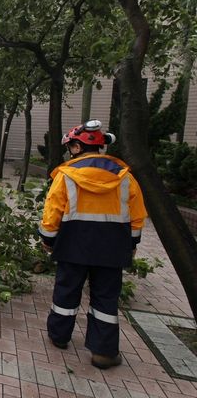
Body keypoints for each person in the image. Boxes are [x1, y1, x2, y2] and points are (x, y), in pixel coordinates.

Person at [39, 120, 147, 369]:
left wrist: (48, 240)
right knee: (106, 298)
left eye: (70, 147)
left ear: (76, 147)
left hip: (73, 245)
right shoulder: (124, 177)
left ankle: (59, 336)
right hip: (112, 247)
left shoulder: (65, 176)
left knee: (66, 291)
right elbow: (137, 214)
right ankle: (104, 352)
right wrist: (132, 243)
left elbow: (52, 212)